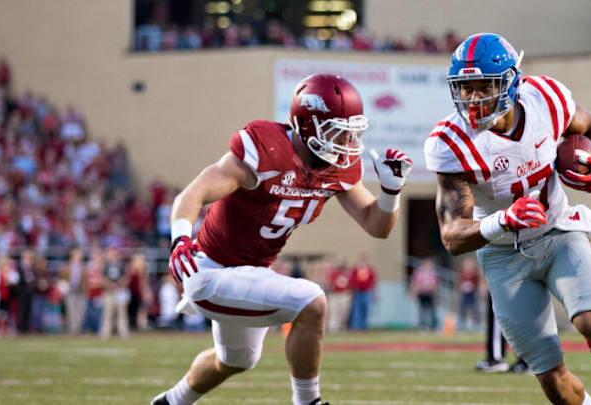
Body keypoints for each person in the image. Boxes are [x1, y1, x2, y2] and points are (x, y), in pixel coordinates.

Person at [151, 73, 412, 405]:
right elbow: (195, 192)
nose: (347, 144)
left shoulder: (336, 169)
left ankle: (171, 401)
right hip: (209, 269)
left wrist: (391, 193)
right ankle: (307, 402)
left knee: (234, 360)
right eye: (337, 132)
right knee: (312, 301)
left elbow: (377, 225)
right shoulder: (265, 149)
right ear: (308, 126)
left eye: (351, 133)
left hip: (254, 272)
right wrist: (179, 240)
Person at [424, 33, 591, 405]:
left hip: (557, 232)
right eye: (464, 89)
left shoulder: (545, 100)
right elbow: (452, 236)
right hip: (503, 255)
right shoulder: (449, 142)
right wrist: (503, 219)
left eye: (482, 87)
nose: (473, 99)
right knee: (552, 379)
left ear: (510, 82)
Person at [348, 253, 377, 331]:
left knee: (366, 310)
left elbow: (373, 282)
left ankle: (364, 326)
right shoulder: (355, 271)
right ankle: (356, 327)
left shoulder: (370, 271)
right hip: (357, 292)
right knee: (357, 310)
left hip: (367, 292)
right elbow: (352, 281)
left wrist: (374, 293)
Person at [409, 258, 440, 331]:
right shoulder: (419, 272)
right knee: (422, 310)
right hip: (421, 293)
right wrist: (412, 292)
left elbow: (436, 283)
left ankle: (433, 326)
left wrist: (435, 290)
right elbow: (415, 283)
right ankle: (423, 326)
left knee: (432, 310)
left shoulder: (433, 273)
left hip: (430, 293)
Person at [457, 257, 480, 330]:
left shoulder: (474, 274)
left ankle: (473, 324)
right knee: (463, 308)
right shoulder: (462, 273)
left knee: (473, 308)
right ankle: (463, 324)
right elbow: (459, 283)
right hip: (464, 294)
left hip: (472, 294)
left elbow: (476, 284)